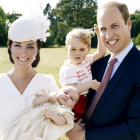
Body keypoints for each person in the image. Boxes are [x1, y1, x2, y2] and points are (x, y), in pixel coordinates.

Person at [66, 1, 140, 140]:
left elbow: (134, 129)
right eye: (103, 29)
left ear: (128, 24)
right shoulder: (96, 65)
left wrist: (83, 136)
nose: (108, 35)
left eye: (115, 26)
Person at [0, 7, 59, 137]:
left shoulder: (48, 82)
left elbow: (59, 121)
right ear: (10, 47)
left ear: (38, 49)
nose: (23, 52)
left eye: (30, 46)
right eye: (18, 45)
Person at [60, 27, 106, 121]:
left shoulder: (86, 60)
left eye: (82, 49)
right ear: (66, 50)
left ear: (88, 50)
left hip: (87, 99)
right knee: (78, 124)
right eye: (73, 49)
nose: (77, 53)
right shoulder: (68, 69)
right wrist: (89, 84)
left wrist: (99, 35)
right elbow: (71, 90)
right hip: (76, 102)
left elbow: (101, 53)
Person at [1, 86, 80, 140]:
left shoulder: (65, 110)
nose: (67, 96)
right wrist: (47, 98)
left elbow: (62, 121)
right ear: (58, 92)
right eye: (65, 92)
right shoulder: (49, 96)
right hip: (28, 120)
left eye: (71, 98)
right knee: (17, 133)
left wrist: (53, 116)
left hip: (40, 129)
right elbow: (35, 102)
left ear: (72, 107)